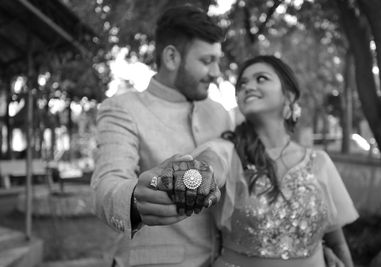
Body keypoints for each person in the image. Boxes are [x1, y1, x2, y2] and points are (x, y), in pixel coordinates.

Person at [157, 55, 359, 267]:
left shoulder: (320, 162)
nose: (248, 87)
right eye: (242, 83)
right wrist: (196, 176)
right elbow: (211, 162)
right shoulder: (229, 151)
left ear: (289, 96)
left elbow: (337, 242)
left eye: (261, 78)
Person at [91, 5, 231, 267]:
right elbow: (106, 185)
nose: (216, 72)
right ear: (171, 58)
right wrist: (134, 199)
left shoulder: (220, 113)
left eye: (217, 60)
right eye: (206, 60)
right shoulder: (123, 109)